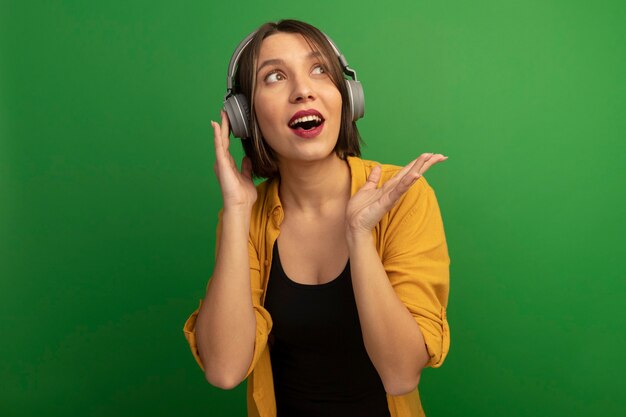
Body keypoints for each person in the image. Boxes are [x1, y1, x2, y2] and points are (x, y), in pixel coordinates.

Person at [183, 19, 450, 417]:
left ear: (348, 96)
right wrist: (237, 213)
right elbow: (224, 370)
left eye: (319, 69)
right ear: (243, 115)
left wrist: (359, 236)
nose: (303, 90)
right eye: (274, 77)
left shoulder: (403, 198)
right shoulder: (247, 217)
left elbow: (400, 375)